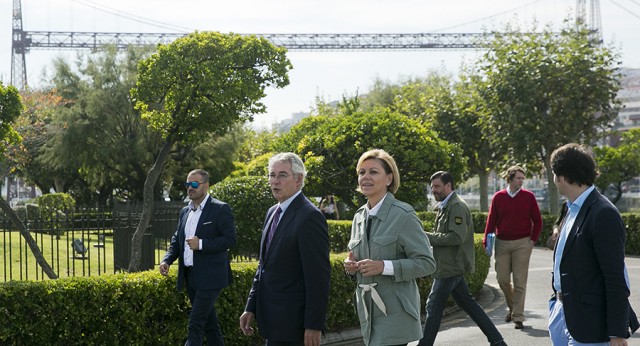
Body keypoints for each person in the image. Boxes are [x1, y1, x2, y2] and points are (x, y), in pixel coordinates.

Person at [548, 143, 639, 345]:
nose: (553, 180)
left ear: (562, 176)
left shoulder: (603, 213)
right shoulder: (570, 208)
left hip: (590, 324)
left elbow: (616, 277)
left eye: (554, 174)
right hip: (562, 314)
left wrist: (617, 331)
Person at [344, 149, 436, 346]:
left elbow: (427, 263)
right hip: (368, 314)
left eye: (373, 172)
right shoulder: (359, 217)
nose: (365, 177)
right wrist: (351, 266)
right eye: (361, 172)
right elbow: (359, 258)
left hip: (395, 314)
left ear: (389, 179)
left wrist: (383, 266)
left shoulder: (404, 215)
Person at [239, 152, 331, 346]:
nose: (275, 181)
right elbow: (263, 266)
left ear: (299, 179)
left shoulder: (310, 217)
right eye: (272, 175)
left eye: (282, 175)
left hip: (294, 327)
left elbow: (318, 277)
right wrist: (251, 306)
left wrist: (314, 324)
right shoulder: (272, 212)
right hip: (271, 322)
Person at [418, 171, 506, 346]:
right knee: (470, 306)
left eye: (437, 186)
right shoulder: (446, 205)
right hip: (448, 265)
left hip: (451, 267)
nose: (433, 190)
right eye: (432, 187)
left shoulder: (456, 206)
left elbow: (455, 237)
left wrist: (423, 236)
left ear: (448, 185)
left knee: (433, 306)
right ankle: (497, 341)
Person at [159, 169, 237, 346]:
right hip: (190, 276)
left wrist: (201, 244)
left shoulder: (220, 209)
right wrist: (167, 260)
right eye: (187, 184)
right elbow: (176, 239)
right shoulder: (185, 211)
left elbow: (230, 239)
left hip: (211, 277)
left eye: (194, 184)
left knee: (195, 323)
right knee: (210, 324)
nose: (190, 188)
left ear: (206, 185)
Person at [482, 165, 542, 329]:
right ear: (510, 179)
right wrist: (486, 241)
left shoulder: (528, 197)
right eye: (518, 178)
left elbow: (538, 221)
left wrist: (532, 240)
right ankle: (513, 308)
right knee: (502, 280)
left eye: (523, 178)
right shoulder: (498, 197)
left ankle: (518, 317)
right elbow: (491, 221)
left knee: (519, 281)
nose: (521, 181)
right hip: (501, 243)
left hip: (522, 243)